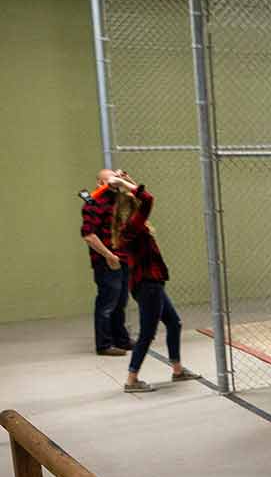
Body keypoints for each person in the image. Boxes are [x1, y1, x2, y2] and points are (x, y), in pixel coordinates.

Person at [109, 175, 194, 392]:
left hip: (151, 283)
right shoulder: (132, 228)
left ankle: (177, 370)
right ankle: (131, 380)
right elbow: (148, 198)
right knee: (147, 333)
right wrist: (124, 184)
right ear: (132, 209)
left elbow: (141, 196)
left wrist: (127, 180)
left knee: (173, 323)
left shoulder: (130, 227)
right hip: (148, 285)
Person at [81, 168, 133, 356]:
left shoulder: (118, 199)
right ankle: (104, 344)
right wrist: (109, 256)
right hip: (106, 261)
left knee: (120, 302)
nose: (114, 181)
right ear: (100, 183)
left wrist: (127, 180)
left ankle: (121, 340)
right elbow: (88, 235)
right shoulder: (92, 203)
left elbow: (142, 199)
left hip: (124, 257)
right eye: (110, 178)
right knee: (107, 303)